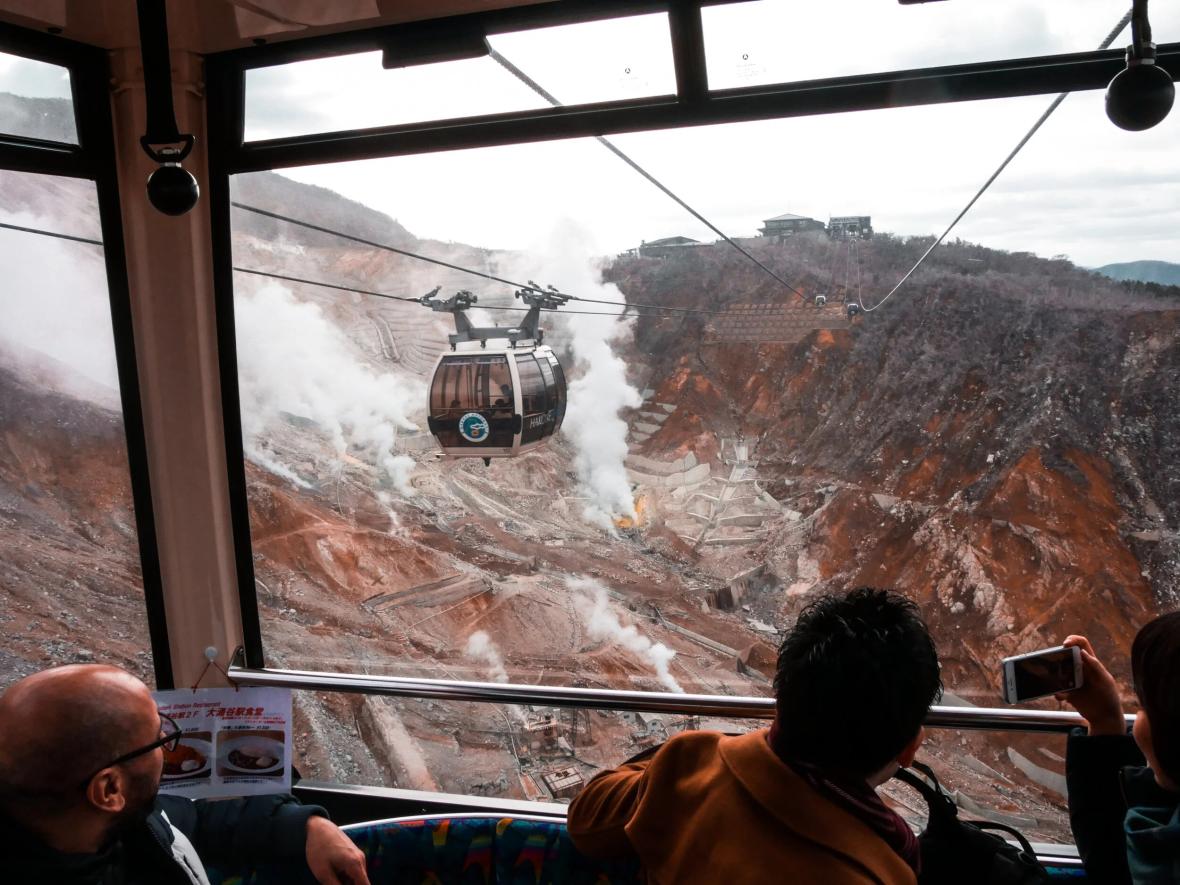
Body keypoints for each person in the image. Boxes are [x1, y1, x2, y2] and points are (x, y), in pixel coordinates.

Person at [567, 587, 942, 884]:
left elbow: (585, 821)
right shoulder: (887, 867)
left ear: (781, 701)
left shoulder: (689, 769)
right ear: (909, 748)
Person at [0, 664, 371, 885]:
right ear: (109, 788)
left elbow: (190, 821)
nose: (167, 744)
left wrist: (304, 827)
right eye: (158, 738)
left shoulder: (114, 824)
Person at [1058, 614, 1180, 884]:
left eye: (1143, 706)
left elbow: (1112, 872)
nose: (1136, 722)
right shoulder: (1161, 827)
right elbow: (1115, 863)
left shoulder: (1164, 858)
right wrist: (1105, 722)